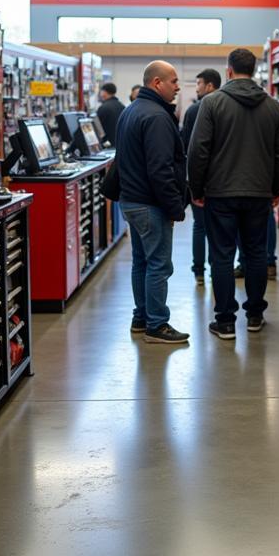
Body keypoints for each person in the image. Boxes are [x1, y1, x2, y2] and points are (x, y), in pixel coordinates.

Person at [188, 49, 279, 339]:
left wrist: (196, 189)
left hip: (220, 193)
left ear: (229, 70)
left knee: (221, 256)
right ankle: (256, 315)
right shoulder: (272, 106)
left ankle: (225, 322)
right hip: (259, 193)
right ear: (254, 69)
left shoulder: (212, 103)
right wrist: (276, 189)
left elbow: (198, 151)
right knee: (256, 253)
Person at [114, 61, 188, 344]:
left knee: (141, 262)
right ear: (157, 83)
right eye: (173, 81)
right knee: (159, 264)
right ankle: (157, 325)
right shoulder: (157, 116)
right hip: (150, 203)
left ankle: (141, 317)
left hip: (131, 201)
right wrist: (174, 207)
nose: (177, 86)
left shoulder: (130, 111)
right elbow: (160, 169)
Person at [180, 68, 223, 286]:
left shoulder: (194, 110)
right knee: (218, 228)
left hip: (199, 179)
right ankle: (217, 269)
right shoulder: (227, 107)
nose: (196, 88)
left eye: (198, 84)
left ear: (209, 85)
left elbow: (188, 148)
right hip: (221, 181)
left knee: (200, 226)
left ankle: (198, 271)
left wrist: (193, 185)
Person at [96, 81, 125, 146]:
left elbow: (97, 128)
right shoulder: (122, 106)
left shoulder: (103, 108)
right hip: (121, 143)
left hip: (108, 145)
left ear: (104, 92)